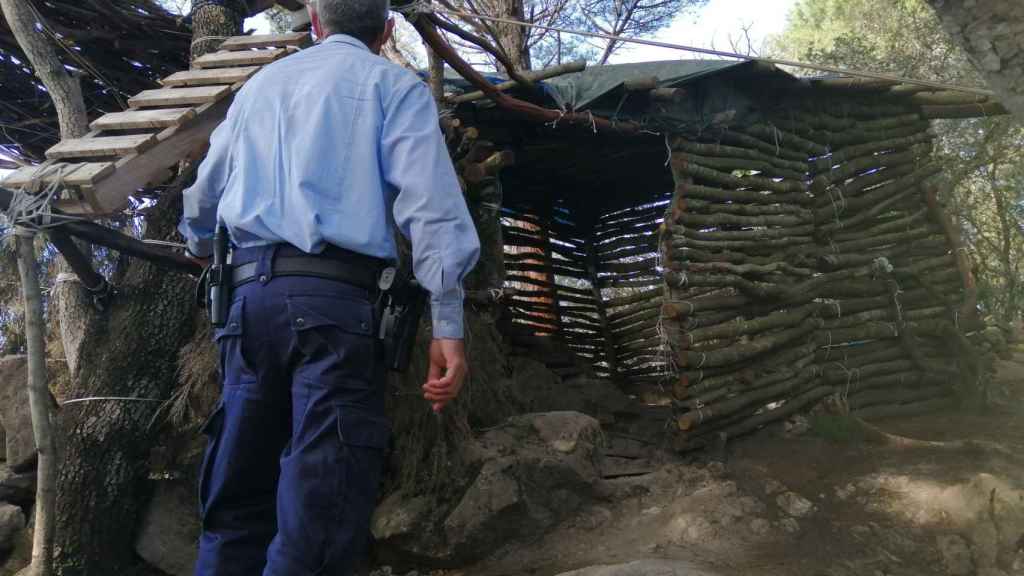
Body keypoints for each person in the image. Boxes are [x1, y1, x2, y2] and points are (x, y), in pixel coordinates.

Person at [177, 0, 481, 572]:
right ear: (387, 31)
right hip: (336, 309)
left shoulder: (259, 88)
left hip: (247, 305)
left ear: (315, 24)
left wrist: (198, 245)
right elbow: (432, 210)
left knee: (236, 496)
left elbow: (203, 195)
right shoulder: (395, 86)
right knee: (319, 505)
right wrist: (447, 323)